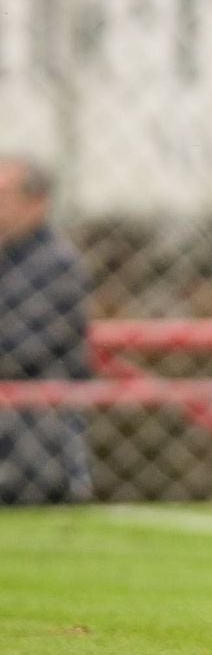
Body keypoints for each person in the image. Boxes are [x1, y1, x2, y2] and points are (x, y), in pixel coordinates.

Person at [0, 157, 94, 505]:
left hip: (39, 431)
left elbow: (25, 348)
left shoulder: (58, 264)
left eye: (4, 196)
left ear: (37, 203)